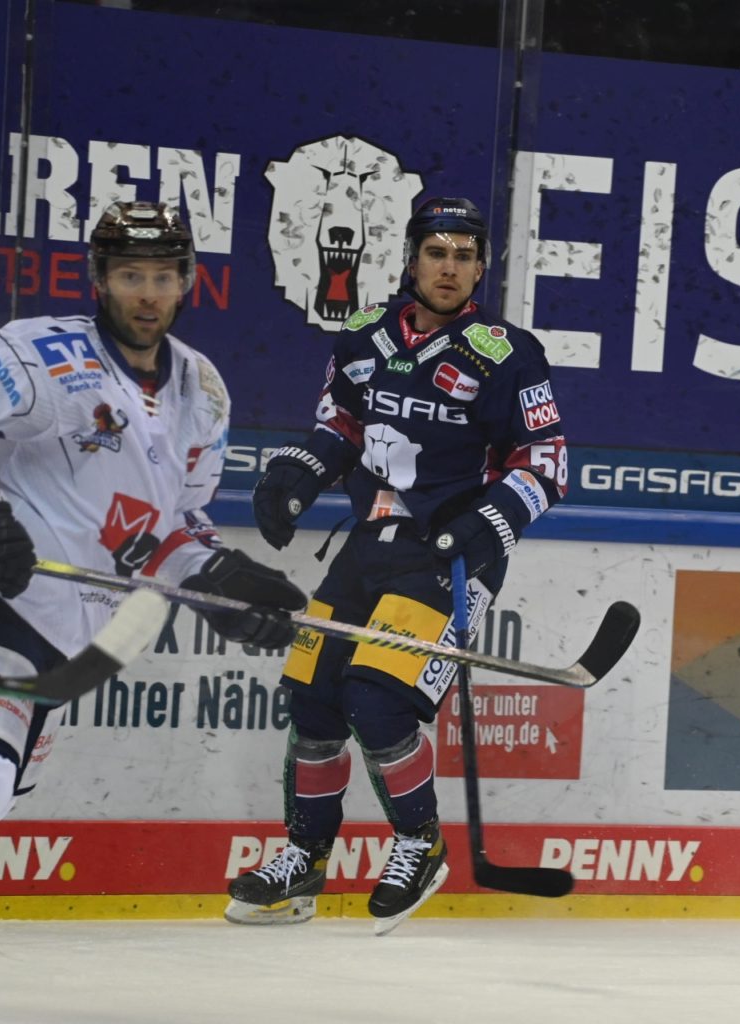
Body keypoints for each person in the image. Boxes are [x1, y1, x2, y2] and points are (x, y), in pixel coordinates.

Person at [0, 201, 306, 977]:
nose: (146, 294)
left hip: (68, 634)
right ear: (101, 279)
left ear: (187, 282)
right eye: (128, 275)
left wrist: (222, 584)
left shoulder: (203, 392)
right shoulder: (38, 353)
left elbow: (171, 528)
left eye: (161, 277)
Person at [226, 197, 569, 933]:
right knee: (314, 702)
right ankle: (304, 862)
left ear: (481, 266)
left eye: (465, 255)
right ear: (411, 258)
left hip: (448, 556)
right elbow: (340, 426)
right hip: (368, 544)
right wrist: (296, 473)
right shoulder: (361, 337)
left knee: (377, 701)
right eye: (437, 252)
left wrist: (492, 522)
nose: (450, 268)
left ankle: (420, 845)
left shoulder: (509, 353)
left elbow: (547, 460)